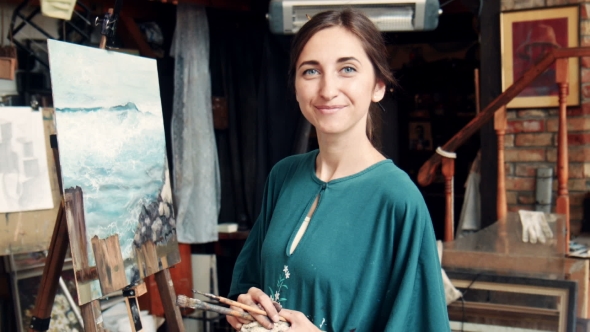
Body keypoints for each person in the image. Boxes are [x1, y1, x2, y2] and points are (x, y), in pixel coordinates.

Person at [227, 9, 449, 332]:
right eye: (310, 71)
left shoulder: (399, 201)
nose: (328, 89)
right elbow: (248, 283)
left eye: (347, 69)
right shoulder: (283, 177)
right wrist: (244, 305)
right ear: (296, 88)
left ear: (378, 86)